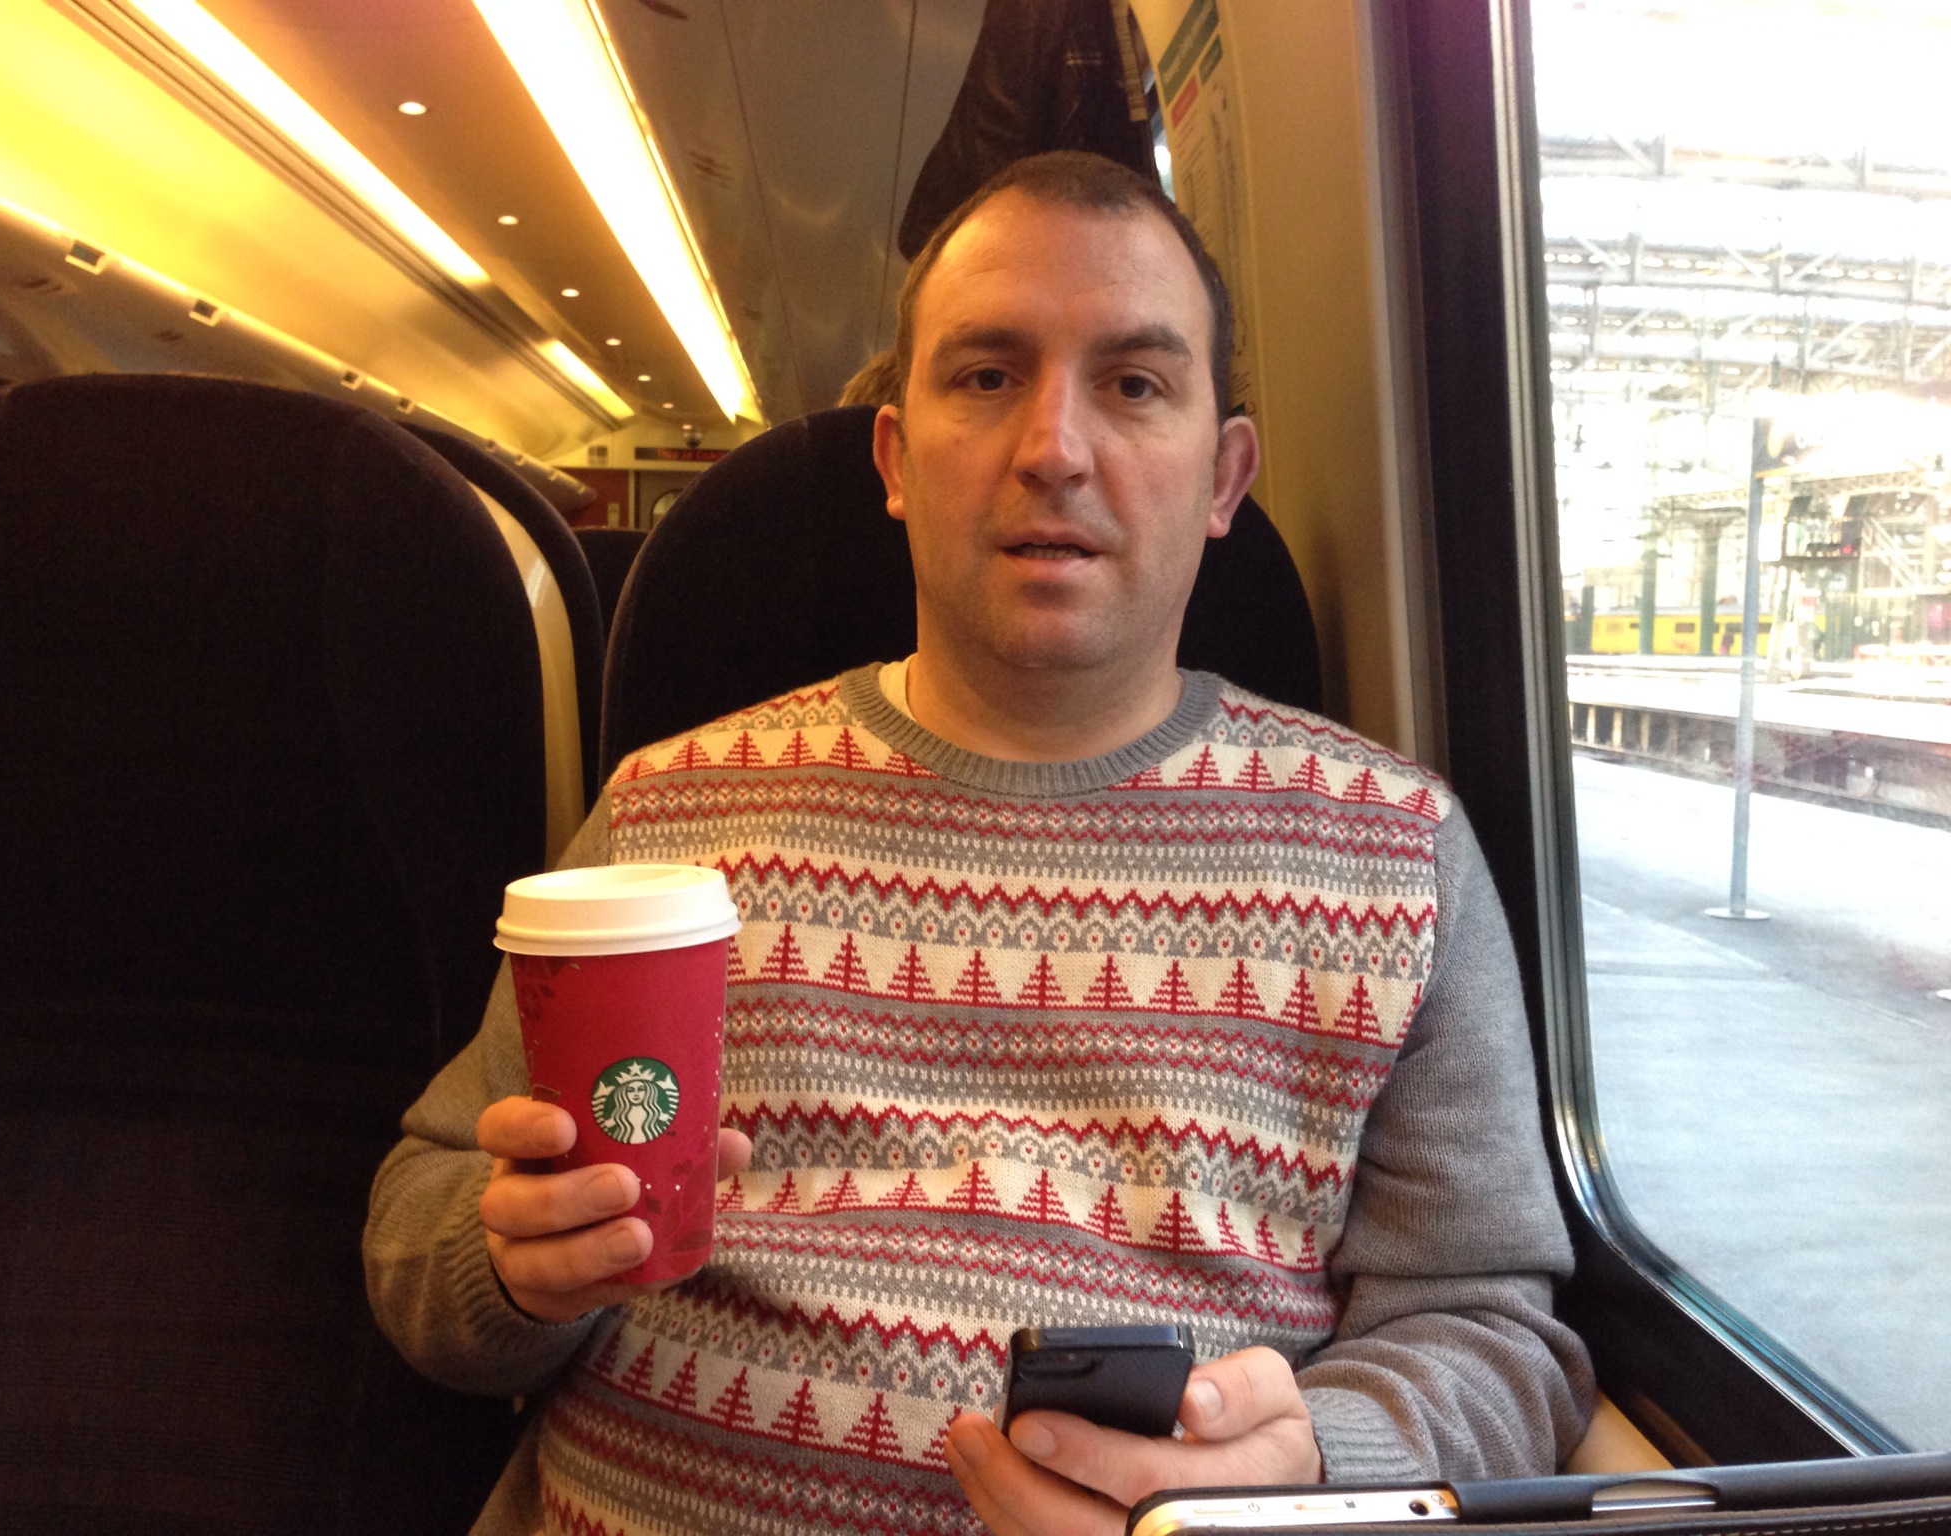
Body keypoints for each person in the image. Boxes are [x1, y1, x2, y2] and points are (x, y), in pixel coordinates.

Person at [364, 150, 1594, 1536]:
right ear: (897, 459)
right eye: (989, 375)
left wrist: (1309, 1468)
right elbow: (422, 1224)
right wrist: (509, 1270)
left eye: (1135, 384)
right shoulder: (667, 816)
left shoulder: (1396, 854)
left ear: (1224, 474)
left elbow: (1496, 1336)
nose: (1053, 448)